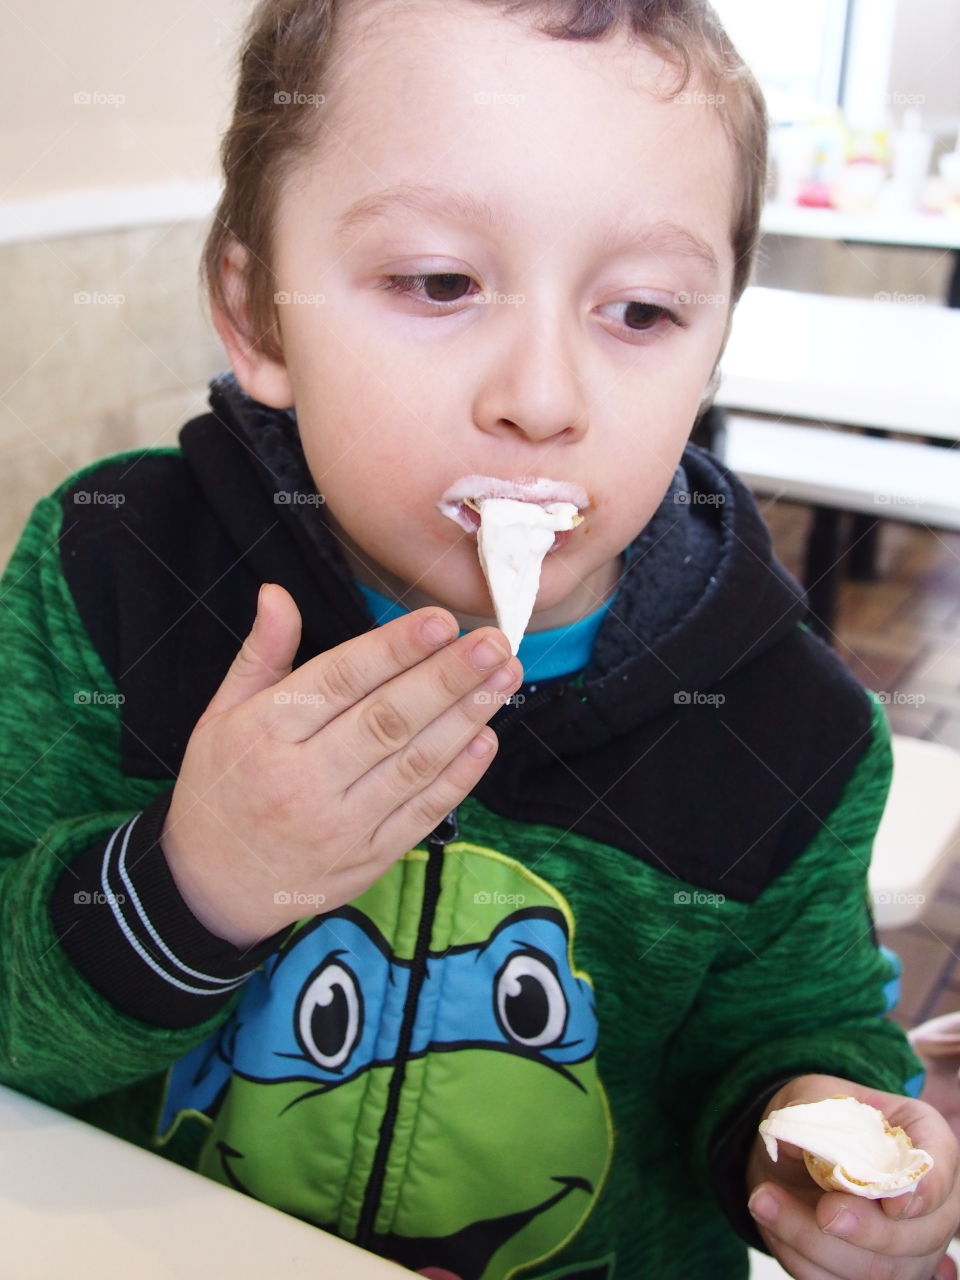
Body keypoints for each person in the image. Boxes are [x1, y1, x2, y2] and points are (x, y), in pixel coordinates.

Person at [0, 0, 957, 1276]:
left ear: (718, 341)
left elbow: (791, 1027)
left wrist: (808, 1133)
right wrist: (191, 887)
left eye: (642, 313)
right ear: (259, 314)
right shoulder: (116, 569)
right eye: (440, 282)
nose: (543, 398)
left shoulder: (795, 729)